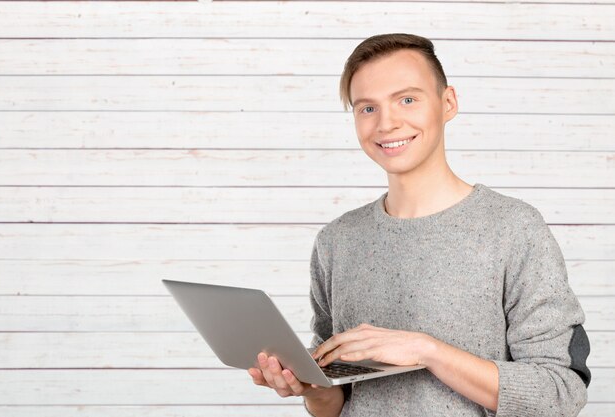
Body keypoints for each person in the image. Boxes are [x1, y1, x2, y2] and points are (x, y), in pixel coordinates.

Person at [247, 33, 591, 416]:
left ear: (448, 103)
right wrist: (311, 388)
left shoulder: (513, 228)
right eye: (367, 108)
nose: (387, 123)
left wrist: (427, 351)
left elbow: (560, 393)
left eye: (407, 99)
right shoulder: (337, 241)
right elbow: (338, 404)